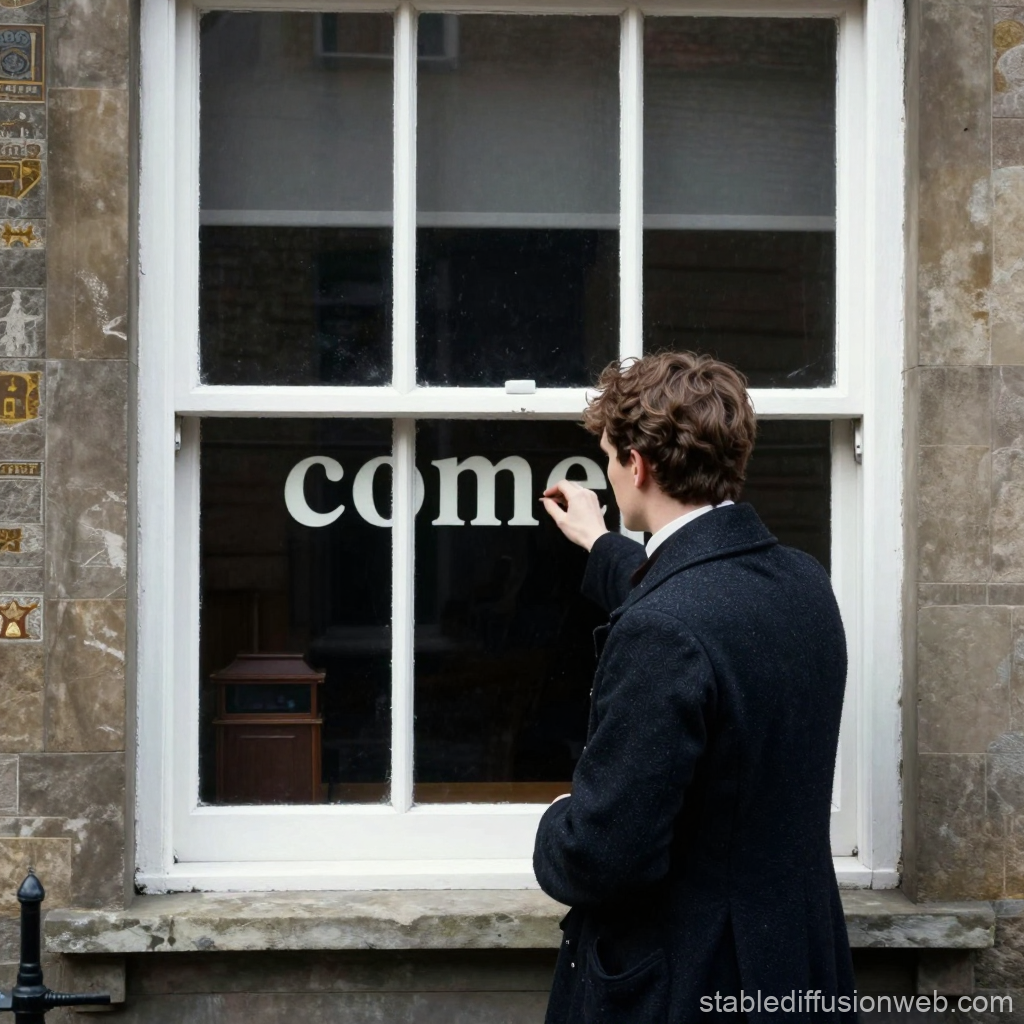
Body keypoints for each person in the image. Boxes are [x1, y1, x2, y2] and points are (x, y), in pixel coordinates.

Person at [534, 351, 856, 1023]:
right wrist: (602, 544)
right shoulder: (804, 582)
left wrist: (561, 818)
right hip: (796, 964)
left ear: (638, 465)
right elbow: (705, 588)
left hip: (690, 983)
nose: (610, 473)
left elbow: (605, 857)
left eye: (609, 458)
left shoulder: (663, 631)